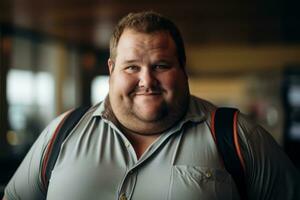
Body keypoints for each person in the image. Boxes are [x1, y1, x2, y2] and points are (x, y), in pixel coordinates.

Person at [3, 11, 300, 200]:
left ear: (183, 68)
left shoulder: (237, 136)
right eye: (131, 67)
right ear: (111, 69)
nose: (147, 80)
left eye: (160, 65)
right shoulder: (62, 131)